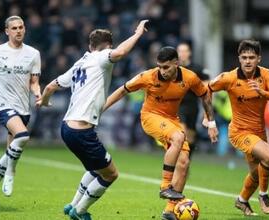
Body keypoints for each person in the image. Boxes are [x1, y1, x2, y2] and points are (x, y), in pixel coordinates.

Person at [36, 20, 149, 220]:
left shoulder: (80, 63)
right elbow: (121, 53)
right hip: (81, 131)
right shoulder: (101, 58)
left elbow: (50, 87)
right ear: (108, 45)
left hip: (67, 127)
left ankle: (73, 205)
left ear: (90, 46)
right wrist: (138, 33)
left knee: (96, 168)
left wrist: (44, 102)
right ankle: (80, 212)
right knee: (111, 174)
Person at [103, 46, 218, 220]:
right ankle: (165, 186)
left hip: (172, 120)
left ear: (176, 63)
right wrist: (100, 110)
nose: (162, 71)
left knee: (184, 162)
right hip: (150, 117)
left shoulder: (189, 77)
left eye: (166, 67)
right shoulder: (147, 76)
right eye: (160, 67)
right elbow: (122, 90)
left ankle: (170, 211)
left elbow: (205, 94)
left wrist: (211, 122)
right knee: (179, 137)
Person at [206, 40, 269, 216]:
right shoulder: (230, 77)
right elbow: (206, 90)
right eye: (244, 57)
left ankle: (242, 200)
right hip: (239, 132)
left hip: (258, 132)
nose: (248, 61)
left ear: (259, 59)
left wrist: (262, 92)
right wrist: (209, 119)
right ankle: (264, 195)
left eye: (252, 57)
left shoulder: (266, 74)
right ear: (239, 59)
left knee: (256, 176)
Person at [0, 15, 41, 207]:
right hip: (3, 106)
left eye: (21, 27)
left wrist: (38, 94)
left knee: (10, 151)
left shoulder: (33, 54)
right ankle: (11, 173)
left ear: (25, 29)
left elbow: (34, 81)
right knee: (23, 136)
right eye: (14, 28)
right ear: (7, 31)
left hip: (23, 109)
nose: (18, 31)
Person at [177, 42, 209, 146]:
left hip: (192, 105)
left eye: (184, 51)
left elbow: (207, 84)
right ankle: (179, 156)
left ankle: (187, 157)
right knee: (181, 131)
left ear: (189, 53)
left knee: (190, 135)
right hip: (178, 105)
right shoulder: (173, 68)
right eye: (180, 51)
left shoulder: (197, 68)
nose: (182, 53)